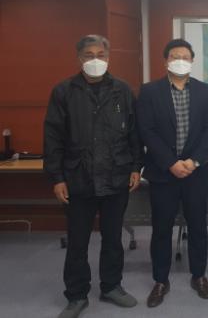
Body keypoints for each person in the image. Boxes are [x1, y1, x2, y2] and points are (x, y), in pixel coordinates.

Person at [44, 34, 141, 318]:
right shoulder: (64, 91)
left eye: (101, 54)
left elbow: (134, 133)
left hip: (116, 177)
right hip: (78, 179)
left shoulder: (122, 90)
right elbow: (52, 137)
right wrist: (57, 178)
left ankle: (111, 286)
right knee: (77, 242)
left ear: (108, 57)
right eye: (89, 55)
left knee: (113, 238)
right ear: (79, 58)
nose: (95, 60)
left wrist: (136, 167)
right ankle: (76, 295)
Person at [137, 39, 208, 307]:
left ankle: (199, 276)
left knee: (198, 227)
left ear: (192, 60)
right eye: (174, 56)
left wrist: (194, 161)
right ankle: (160, 280)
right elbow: (147, 130)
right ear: (166, 61)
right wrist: (171, 162)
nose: (180, 60)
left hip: (196, 172)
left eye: (185, 56)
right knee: (161, 229)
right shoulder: (150, 91)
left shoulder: (205, 91)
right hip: (163, 173)